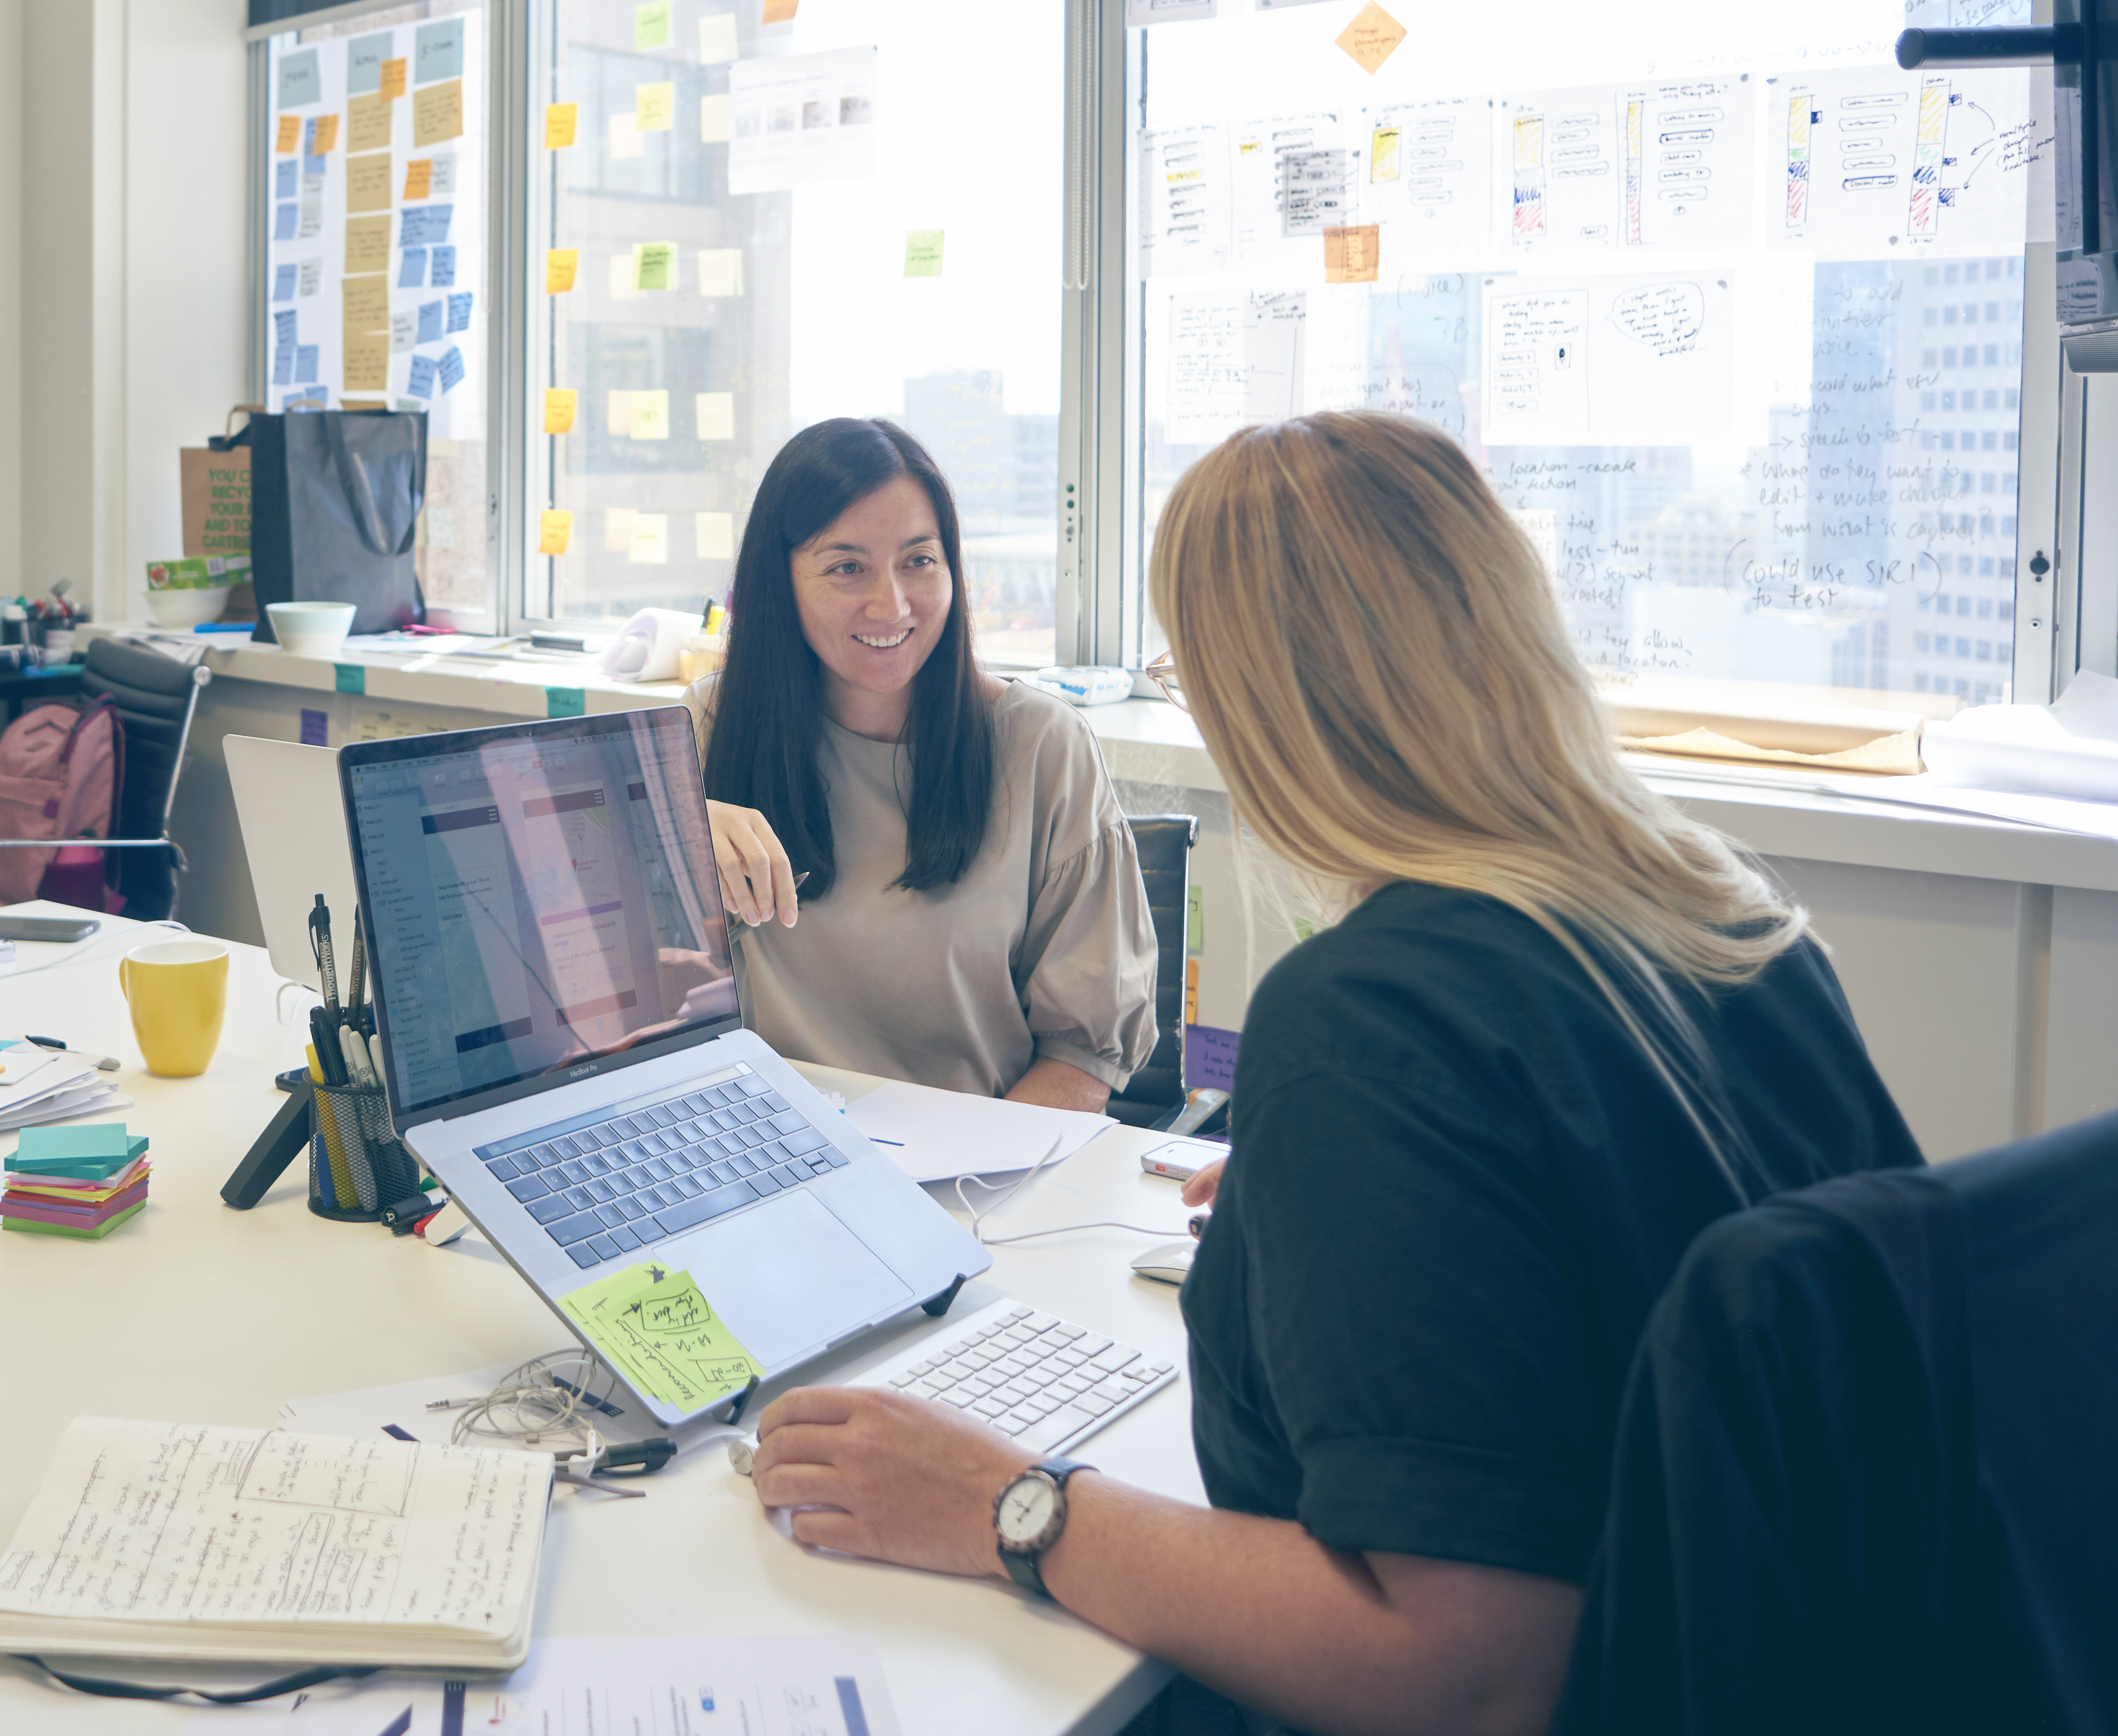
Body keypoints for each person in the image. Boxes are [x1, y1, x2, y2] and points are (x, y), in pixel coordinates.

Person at [745, 412, 1921, 1736]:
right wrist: (1338, 1194)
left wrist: (1010, 1505)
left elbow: (1472, 1674)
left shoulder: (1370, 1017)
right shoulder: (1725, 918)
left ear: (1269, 697)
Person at [691, 417, 1155, 1113]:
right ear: (778, 581)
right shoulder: (709, 727)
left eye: (919, 561)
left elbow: (1081, 1054)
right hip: (757, 1157)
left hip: (977, 1175)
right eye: (847, 567)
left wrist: (965, 1193)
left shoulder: (1042, 746)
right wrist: (675, 838)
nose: (894, 604)